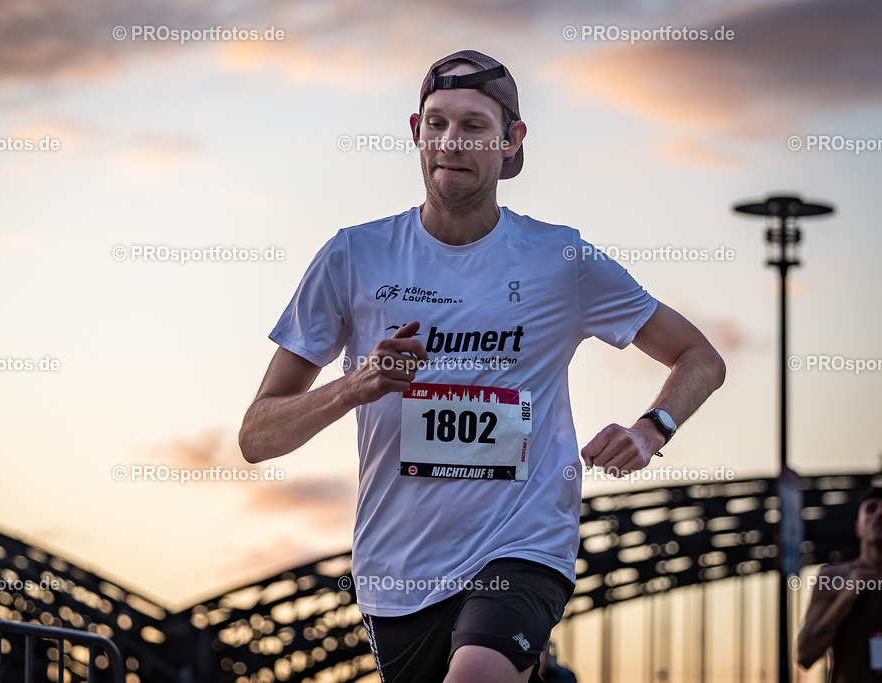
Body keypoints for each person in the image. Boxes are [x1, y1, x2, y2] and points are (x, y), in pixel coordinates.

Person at [239, 49, 726, 683]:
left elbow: (700, 358)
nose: (451, 141)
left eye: (473, 126)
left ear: (511, 141)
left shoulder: (561, 259)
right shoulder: (354, 255)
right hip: (399, 569)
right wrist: (354, 386)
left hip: (523, 545)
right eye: (436, 123)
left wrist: (651, 427)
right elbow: (256, 436)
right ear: (416, 133)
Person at [797, 486, 882, 681]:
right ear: (858, 528)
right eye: (871, 509)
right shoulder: (834, 577)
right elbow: (804, 655)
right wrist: (847, 596)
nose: (880, 513)